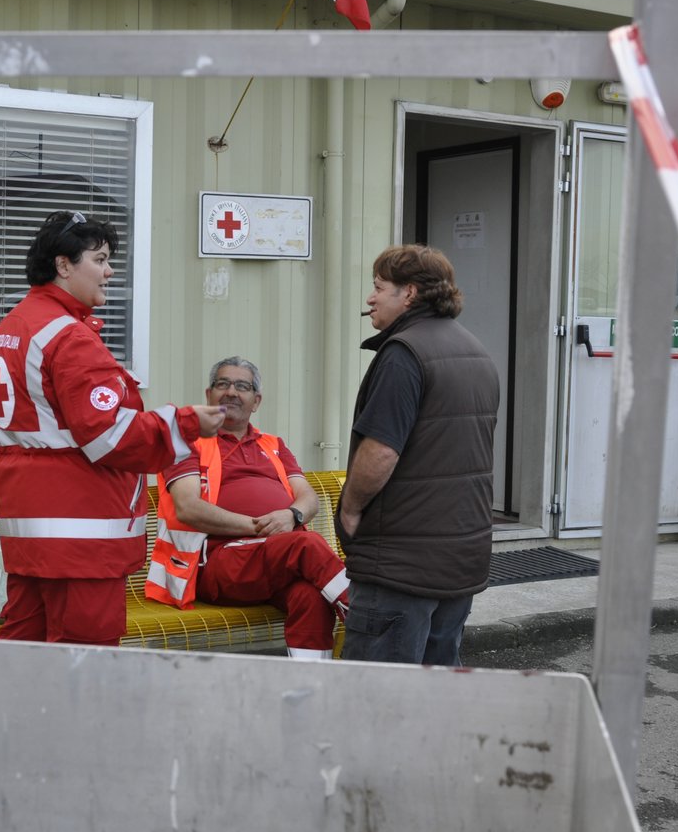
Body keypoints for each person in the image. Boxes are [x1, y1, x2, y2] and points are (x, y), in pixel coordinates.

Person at [0, 211, 224, 646]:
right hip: (81, 538)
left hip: (28, 535)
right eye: (100, 259)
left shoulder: (8, 331)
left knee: (22, 656)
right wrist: (189, 423)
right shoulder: (68, 338)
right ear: (64, 265)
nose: (110, 271)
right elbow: (112, 436)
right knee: (85, 666)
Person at [335, 244, 500, 665]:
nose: (370, 297)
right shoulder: (478, 353)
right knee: (436, 696)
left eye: (378, 287)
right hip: (460, 558)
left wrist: (350, 510)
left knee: (378, 700)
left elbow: (381, 452)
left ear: (408, 293)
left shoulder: (403, 355)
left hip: (399, 563)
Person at [147, 357, 349, 660]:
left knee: (311, 596)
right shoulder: (187, 444)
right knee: (305, 543)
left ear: (256, 401)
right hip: (217, 562)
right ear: (209, 395)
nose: (231, 392)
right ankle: (366, 619)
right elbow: (188, 508)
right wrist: (260, 527)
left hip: (276, 558)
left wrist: (291, 516)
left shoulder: (273, 445)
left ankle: (310, 688)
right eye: (222, 384)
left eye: (242, 386)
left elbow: (307, 497)